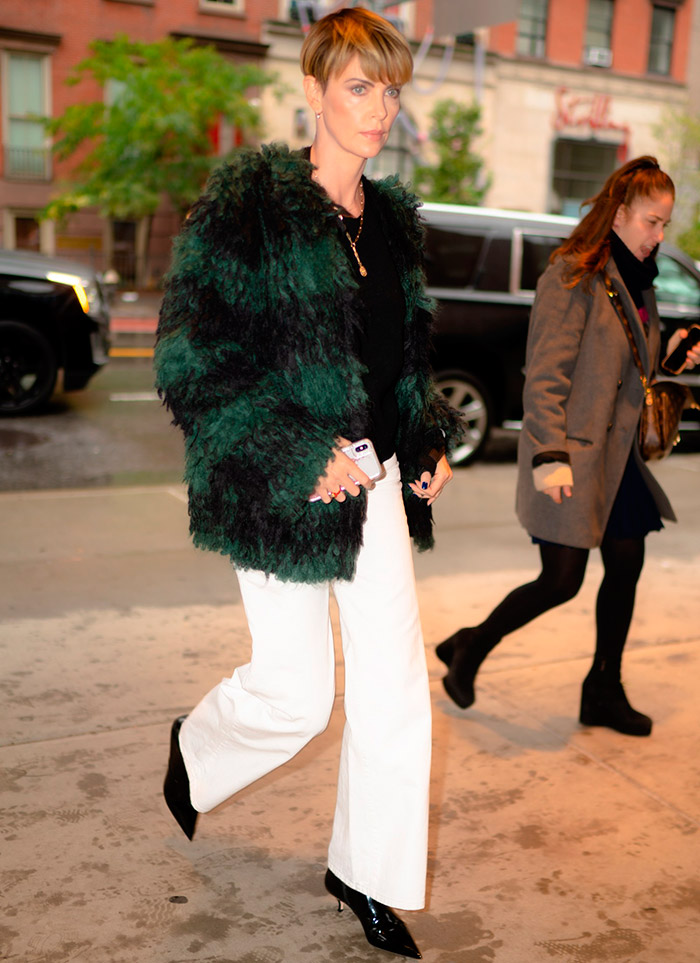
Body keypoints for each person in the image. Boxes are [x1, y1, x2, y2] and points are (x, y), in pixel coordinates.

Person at [154, 7, 460, 959]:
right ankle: (196, 750)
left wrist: (424, 440)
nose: (379, 109)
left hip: (374, 485)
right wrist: (296, 449)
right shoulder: (250, 205)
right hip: (281, 486)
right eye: (360, 87)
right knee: (295, 697)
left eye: (391, 90)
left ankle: (364, 873)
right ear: (315, 88)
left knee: (395, 692)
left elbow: (399, 361)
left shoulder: (393, 222)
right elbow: (190, 364)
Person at [437, 156, 700, 738]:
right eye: (652, 221)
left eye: (665, 224)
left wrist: (673, 353)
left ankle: (602, 688)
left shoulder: (639, 280)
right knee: (560, 580)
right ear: (620, 213)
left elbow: (629, 366)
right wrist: (549, 456)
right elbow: (546, 377)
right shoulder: (573, 276)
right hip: (573, 453)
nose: (659, 235)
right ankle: (470, 645)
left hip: (620, 456)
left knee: (626, 562)